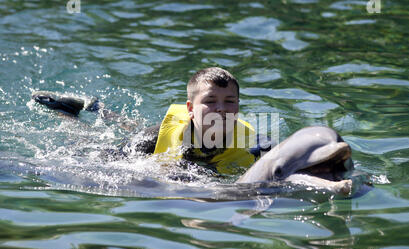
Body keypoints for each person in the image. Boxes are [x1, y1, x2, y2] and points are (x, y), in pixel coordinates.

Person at [32, 67, 272, 175]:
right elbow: (109, 166)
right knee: (84, 147)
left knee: (133, 124)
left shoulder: (253, 143)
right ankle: (66, 111)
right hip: (147, 140)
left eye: (230, 101)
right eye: (210, 101)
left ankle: (98, 108)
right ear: (190, 108)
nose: (220, 109)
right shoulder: (154, 138)